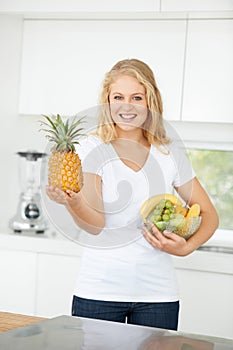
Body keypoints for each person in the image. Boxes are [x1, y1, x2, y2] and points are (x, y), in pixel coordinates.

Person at [46, 58, 219, 330]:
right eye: (118, 97)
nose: (127, 106)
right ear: (107, 101)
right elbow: (95, 224)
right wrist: (74, 202)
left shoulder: (168, 152)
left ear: (150, 101)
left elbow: (209, 215)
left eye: (136, 97)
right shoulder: (92, 147)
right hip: (99, 292)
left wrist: (186, 247)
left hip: (158, 295)